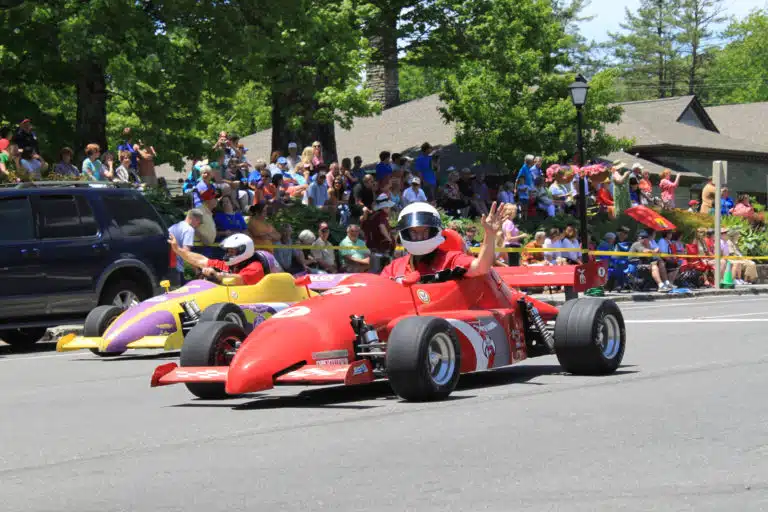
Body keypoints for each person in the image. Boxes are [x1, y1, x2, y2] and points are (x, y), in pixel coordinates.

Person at [379, 201, 508, 281]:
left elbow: (482, 267)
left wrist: (490, 234)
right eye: (414, 232)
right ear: (405, 233)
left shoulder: (451, 260)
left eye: (425, 231)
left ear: (434, 231)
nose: (419, 236)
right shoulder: (394, 268)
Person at [168, 232, 280, 286]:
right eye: (228, 251)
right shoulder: (232, 265)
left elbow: (239, 279)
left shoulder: (255, 267)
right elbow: (201, 260)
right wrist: (178, 250)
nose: (228, 254)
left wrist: (217, 275)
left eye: (231, 252)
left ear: (243, 251)